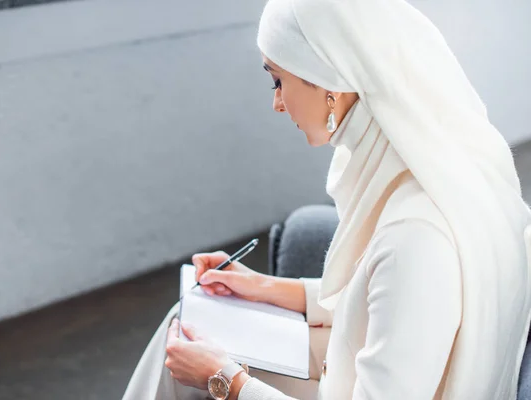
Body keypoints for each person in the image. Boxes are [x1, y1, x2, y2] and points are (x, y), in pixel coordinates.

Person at [122, 0, 531, 398]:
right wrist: (264, 287)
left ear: (327, 82)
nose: (277, 103)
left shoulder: (417, 236)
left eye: (278, 80)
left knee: (185, 345)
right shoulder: (427, 170)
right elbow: (390, 306)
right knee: (190, 330)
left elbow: (404, 280)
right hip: (344, 373)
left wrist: (224, 382)